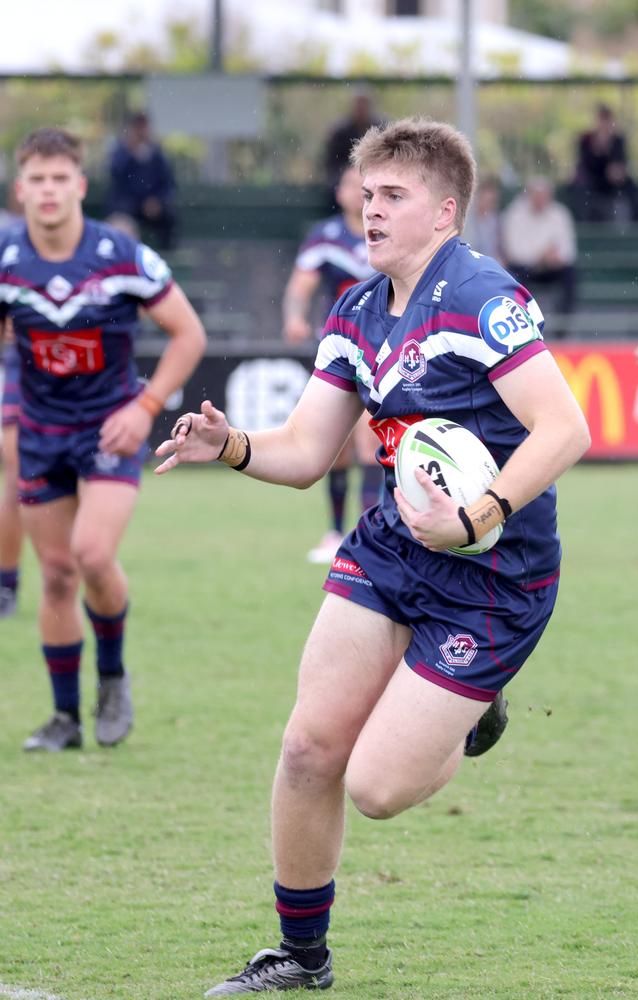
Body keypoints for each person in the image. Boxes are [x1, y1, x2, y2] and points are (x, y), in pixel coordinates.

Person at [155, 118, 590, 995]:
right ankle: (299, 957)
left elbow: (566, 427)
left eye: (393, 196)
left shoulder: (481, 298)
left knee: (378, 787)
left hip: (493, 578)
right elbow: (307, 450)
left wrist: (481, 513)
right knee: (310, 747)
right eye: (366, 195)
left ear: (445, 209)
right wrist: (234, 444)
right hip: (393, 550)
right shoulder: (354, 310)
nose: (371, 211)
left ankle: (474, 703)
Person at [0, 126, 206, 751]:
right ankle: (65, 719)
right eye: (37, 180)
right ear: (21, 189)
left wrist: (145, 408)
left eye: (60, 179)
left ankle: (112, 677)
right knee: (58, 576)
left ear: (80, 186)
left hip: (110, 430)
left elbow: (188, 334)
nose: (49, 191)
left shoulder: (121, 255)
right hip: (39, 435)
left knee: (92, 555)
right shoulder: (8, 265)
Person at [282, 164, 382, 563]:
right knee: (336, 449)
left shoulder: (389, 236)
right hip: (339, 352)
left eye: (366, 188)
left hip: (384, 351)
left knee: (369, 439)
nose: (358, 194)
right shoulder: (325, 238)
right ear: (339, 193)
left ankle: (368, 532)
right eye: (351, 186)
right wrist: (293, 316)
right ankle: (336, 531)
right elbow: (299, 285)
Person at [501, 176, 578, 338]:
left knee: (570, 275)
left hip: (551, 268)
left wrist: (552, 257)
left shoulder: (560, 214)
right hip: (525, 269)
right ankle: (523, 328)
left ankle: (561, 330)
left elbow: (568, 252)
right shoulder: (515, 214)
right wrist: (541, 255)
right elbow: (514, 252)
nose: (541, 200)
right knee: (515, 276)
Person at [107, 111, 177, 249]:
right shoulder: (121, 151)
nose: (141, 132)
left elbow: (167, 183)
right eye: (137, 128)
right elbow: (116, 175)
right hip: (127, 205)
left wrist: (157, 200)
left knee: (169, 219)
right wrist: (130, 151)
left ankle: (167, 255)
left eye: (143, 128)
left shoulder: (156, 153)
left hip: (152, 205)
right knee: (121, 222)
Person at [573, 104, 637, 223]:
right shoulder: (586, 140)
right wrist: (598, 149)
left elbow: (620, 165)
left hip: (613, 186)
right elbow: (584, 164)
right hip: (591, 184)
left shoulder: (618, 140)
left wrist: (617, 172)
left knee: (628, 192)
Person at [0, 322, 24, 618]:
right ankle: (6, 585)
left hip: (89, 381)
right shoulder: (14, 276)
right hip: (27, 370)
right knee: (18, 483)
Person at [322, 91, 381, 191]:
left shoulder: (381, 127)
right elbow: (331, 165)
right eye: (358, 104)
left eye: (364, 104)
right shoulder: (339, 132)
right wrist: (349, 177)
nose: (361, 108)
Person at [472, 175, 504, 262]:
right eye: (484, 199)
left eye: (490, 201)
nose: (486, 204)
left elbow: (495, 247)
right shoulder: (467, 217)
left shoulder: (494, 220)